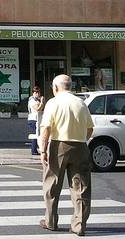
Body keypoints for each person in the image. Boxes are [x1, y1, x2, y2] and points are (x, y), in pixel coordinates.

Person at [38, 74, 94, 236]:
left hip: (59, 145)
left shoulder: (53, 103)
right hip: (80, 146)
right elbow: (90, 129)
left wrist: (43, 150)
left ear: (55, 87)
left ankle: (51, 222)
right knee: (81, 187)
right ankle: (79, 225)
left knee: (52, 185)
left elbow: (46, 128)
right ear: (70, 87)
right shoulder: (81, 103)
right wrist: (81, 140)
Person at [27, 86, 44, 155]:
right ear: (33, 93)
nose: (37, 94)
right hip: (33, 119)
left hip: (38, 119)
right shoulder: (32, 100)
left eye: (38, 92)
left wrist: (41, 102)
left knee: (37, 134)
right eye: (35, 92)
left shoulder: (37, 100)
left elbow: (42, 108)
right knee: (35, 135)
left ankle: (35, 150)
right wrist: (42, 102)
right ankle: (33, 150)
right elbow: (38, 109)